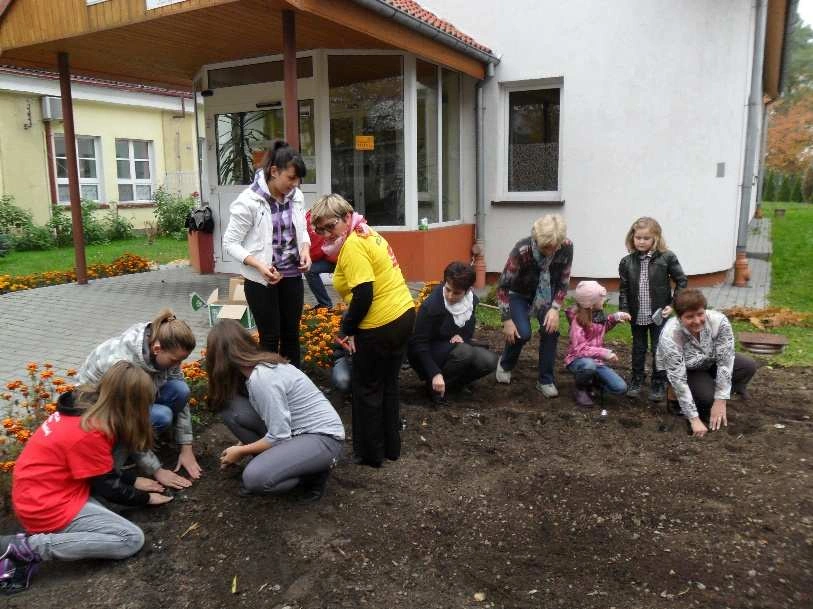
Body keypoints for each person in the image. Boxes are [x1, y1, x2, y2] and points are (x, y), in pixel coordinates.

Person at [1, 362, 172, 595]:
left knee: (111, 513)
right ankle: (27, 548)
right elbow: (107, 486)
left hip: (41, 492)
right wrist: (144, 498)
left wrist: (131, 481)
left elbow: (96, 468)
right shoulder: (89, 431)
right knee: (131, 539)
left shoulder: (85, 407)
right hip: (46, 507)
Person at [309, 194, 415, 468]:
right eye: (319, 230)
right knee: (389, 384)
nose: (325, 235)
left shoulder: (353, 245)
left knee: (366, 388)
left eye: (330, 227)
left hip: (380, 324)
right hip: (402, 314)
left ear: (346, 217)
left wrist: (346, 329)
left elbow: (364, 293)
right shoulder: (366, 232)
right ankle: (391, 448)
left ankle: (371, 456)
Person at [206, 320, 345, 501]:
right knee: (230, 407)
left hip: (323, 438)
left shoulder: (262, 378)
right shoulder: (257, 370)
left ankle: (312, 474)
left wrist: (241, 451)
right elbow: (273, 419)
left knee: (254, 478)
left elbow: (279, 436)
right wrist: (241, 446)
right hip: (296, 432)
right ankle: (282, 464)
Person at [78, 308, 200, 490]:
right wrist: (156, 469)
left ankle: (146, 440)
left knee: (180, 390)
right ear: (157, 349)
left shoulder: (163, 344)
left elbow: (181, 399)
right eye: (175, 360)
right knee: (161, 416)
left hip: (132, 402)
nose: (177, 365)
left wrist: (186, 446)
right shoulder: (123, 366)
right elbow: (130, 420)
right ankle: (122, 452)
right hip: (97, 411)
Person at [223, 140, 311, 367]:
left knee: (291, 335)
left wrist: (306, 250)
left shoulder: (296, 197)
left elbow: (302, 231)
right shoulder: (248, 201)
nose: (295, 184)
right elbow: (230, 243)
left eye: (298, 180)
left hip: (292, 276)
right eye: (291, 178)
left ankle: (293, 387)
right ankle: (269, 390)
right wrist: (260, 266)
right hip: (261, 280)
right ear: (274, 171)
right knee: (270, 338)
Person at [655, 289, 757, 437]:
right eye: (689, 317)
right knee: (706, 397)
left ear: (705, 310)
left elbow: (725, 361)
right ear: (679, 317)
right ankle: (679, 400)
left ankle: (718, 391)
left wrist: (721, 399)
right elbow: (679, 381)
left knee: (747, 366)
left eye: (700, 314)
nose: (697, 321)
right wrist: (694, 420)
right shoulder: (671, 336)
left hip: (710, 359)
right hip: (686, 367)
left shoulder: (719, 322)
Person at [495, 214, 573, 398]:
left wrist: (555, 308)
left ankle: (545, 380)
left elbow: (563, 281)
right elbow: (503, 287)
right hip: (519, 294)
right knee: (522, 333)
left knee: (551, 331)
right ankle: (505, 363)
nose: (549, 250)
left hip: (547, 294)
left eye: (553, 247)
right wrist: (507, 320)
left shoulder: (567, 248)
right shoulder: (522, 250)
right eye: (545, 246)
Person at [408, 262, 498, 404]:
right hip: (428, 352)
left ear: (468, 291)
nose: (450, 296)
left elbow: (468, 331)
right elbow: (418, 344)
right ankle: (434, 388)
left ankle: (453, 385)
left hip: (452, 348)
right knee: (465, 352)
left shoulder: (471, 302)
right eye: (448, 289)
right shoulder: (431, 306)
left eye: (456, 293)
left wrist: (462, 336)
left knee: (489, 361)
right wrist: (435, 373)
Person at [618, 217, 687, 401]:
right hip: (637, 314)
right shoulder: (627, 262)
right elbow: (623, 289)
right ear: (632, 237)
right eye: (638, 237)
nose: (641, 241)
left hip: (659, 314)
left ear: (655, 238)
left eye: (646, 238)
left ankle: (658, 381)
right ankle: (637, 378)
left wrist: (672, 305)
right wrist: (624, 309)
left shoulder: (667, 258)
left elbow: (681, 281)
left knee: (659, 348)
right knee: (638, 347)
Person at [564, 281, 631, 407]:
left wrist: (615, 318)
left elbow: (602, 329)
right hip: (578, 360)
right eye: (601, 298)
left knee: (620, 388)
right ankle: (580, 389)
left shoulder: (597, 315)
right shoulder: (577, 322)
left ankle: (592, 380)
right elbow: (579, 349)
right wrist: (604, 353)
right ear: (591, 303)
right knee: (588, 365)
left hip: (596, 362)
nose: (604, 300)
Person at [303, 209, 337, 309]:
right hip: (331, 258)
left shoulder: (321, 220)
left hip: (345, 257)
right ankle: (325, 305)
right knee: (310, 270)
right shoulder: (306, 221)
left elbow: (316, 253)